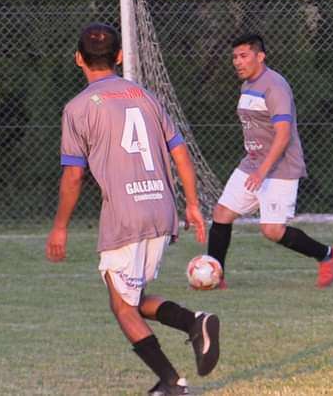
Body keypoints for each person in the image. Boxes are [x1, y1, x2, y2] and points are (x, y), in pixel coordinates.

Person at [45, 23, 220, 396]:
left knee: (122, 308)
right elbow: (180, 153)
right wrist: (191, 203)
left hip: (126, 215)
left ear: (78, 59)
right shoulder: (147, 96)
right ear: (120, 57)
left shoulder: (77, 108)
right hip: (161, 207)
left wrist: (60, 226)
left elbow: (73, 177)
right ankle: (194, 323)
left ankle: (172, 382)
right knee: (134, 299)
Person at [205, 33, 333, 290]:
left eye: (244, 56)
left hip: (280, 167)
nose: (237, 62)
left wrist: (262, 171)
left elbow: (283, 135)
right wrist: (256, 166)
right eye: (235, 57)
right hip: (253, 163)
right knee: (222, 213)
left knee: (272, 230)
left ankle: (328, 255)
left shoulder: (275, 86)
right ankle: (214, 276)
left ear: (260, 56)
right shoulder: (247, 85)